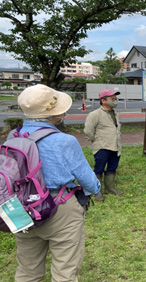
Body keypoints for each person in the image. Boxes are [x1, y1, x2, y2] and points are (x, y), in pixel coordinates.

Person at [14, 84, 101, 281]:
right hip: (58, 206)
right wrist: (95, 189)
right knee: (65, 269)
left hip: (21, 207)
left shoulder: (14, 136)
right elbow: (88, 180)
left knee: (27, 269)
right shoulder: (64, 140)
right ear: (56, 114)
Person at [84, 90, 123, 201]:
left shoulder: (115, 114)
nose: (115, 100)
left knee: (112, 168)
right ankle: (97, 191)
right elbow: (88, 131)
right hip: (102, 146)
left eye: (115, 98)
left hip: (115, 146)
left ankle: (109, 188)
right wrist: (96, 141)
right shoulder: (95, 114)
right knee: (98, 169)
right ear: (103, 101)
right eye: (112, 98)